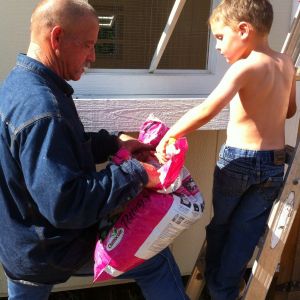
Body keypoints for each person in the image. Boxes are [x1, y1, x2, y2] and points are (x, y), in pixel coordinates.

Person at [0, 0, 189, 299]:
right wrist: (136, 173)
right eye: (88, 45)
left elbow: (58, 150)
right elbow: (67, 205)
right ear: (57, 37)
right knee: (155, 258)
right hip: (53, 247)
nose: (93, 56)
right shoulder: (44, 109)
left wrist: (113, 143)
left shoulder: (19, 83)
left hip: (20, 242)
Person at [156, 0, 297, 299]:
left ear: (243, 30)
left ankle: (214, 276)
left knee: (221, 222)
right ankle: (225, 288)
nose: (218, 47)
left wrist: (170, 134)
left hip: (239, 161)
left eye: (220, 37)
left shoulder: (243, 68)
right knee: (247, 229)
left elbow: (208, 109)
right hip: (274, 164)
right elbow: (289, 110)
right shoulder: (286, 63)